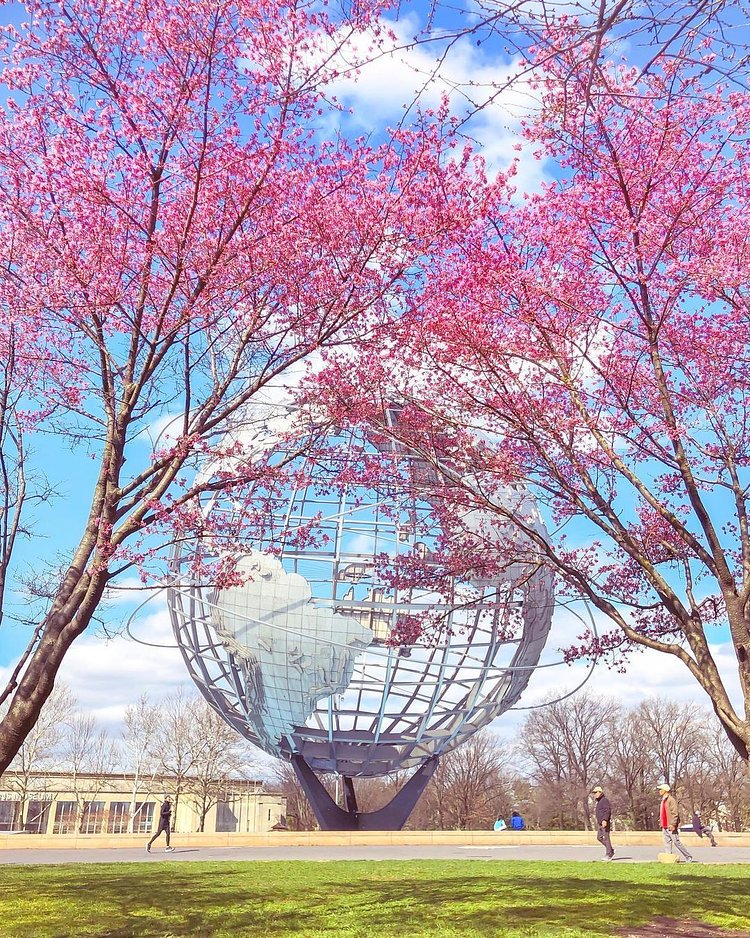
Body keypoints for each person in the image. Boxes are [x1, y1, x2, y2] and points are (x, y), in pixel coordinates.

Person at [658, 783, 694, 862]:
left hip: (670, 825)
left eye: (660, 789)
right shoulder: (663, 800)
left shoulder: (671, 800)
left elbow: (675, 813)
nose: (659, 791)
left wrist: (673, 824)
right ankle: (668, 859)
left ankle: (688, 856)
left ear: (665, 790)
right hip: (664, 825)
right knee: (667, 843)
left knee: (676, 842)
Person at [591, 786, 614, 860]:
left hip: (604, 823)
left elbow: (607, 810)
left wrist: (605, 820)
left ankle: (609, 854)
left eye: (595, 792)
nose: (594, 794)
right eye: (593, 793)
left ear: (600, 792)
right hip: (600, 823)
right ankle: (611, 850)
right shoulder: (599, 802)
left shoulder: (604, 800)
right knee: (599, 838)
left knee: (606, 838)